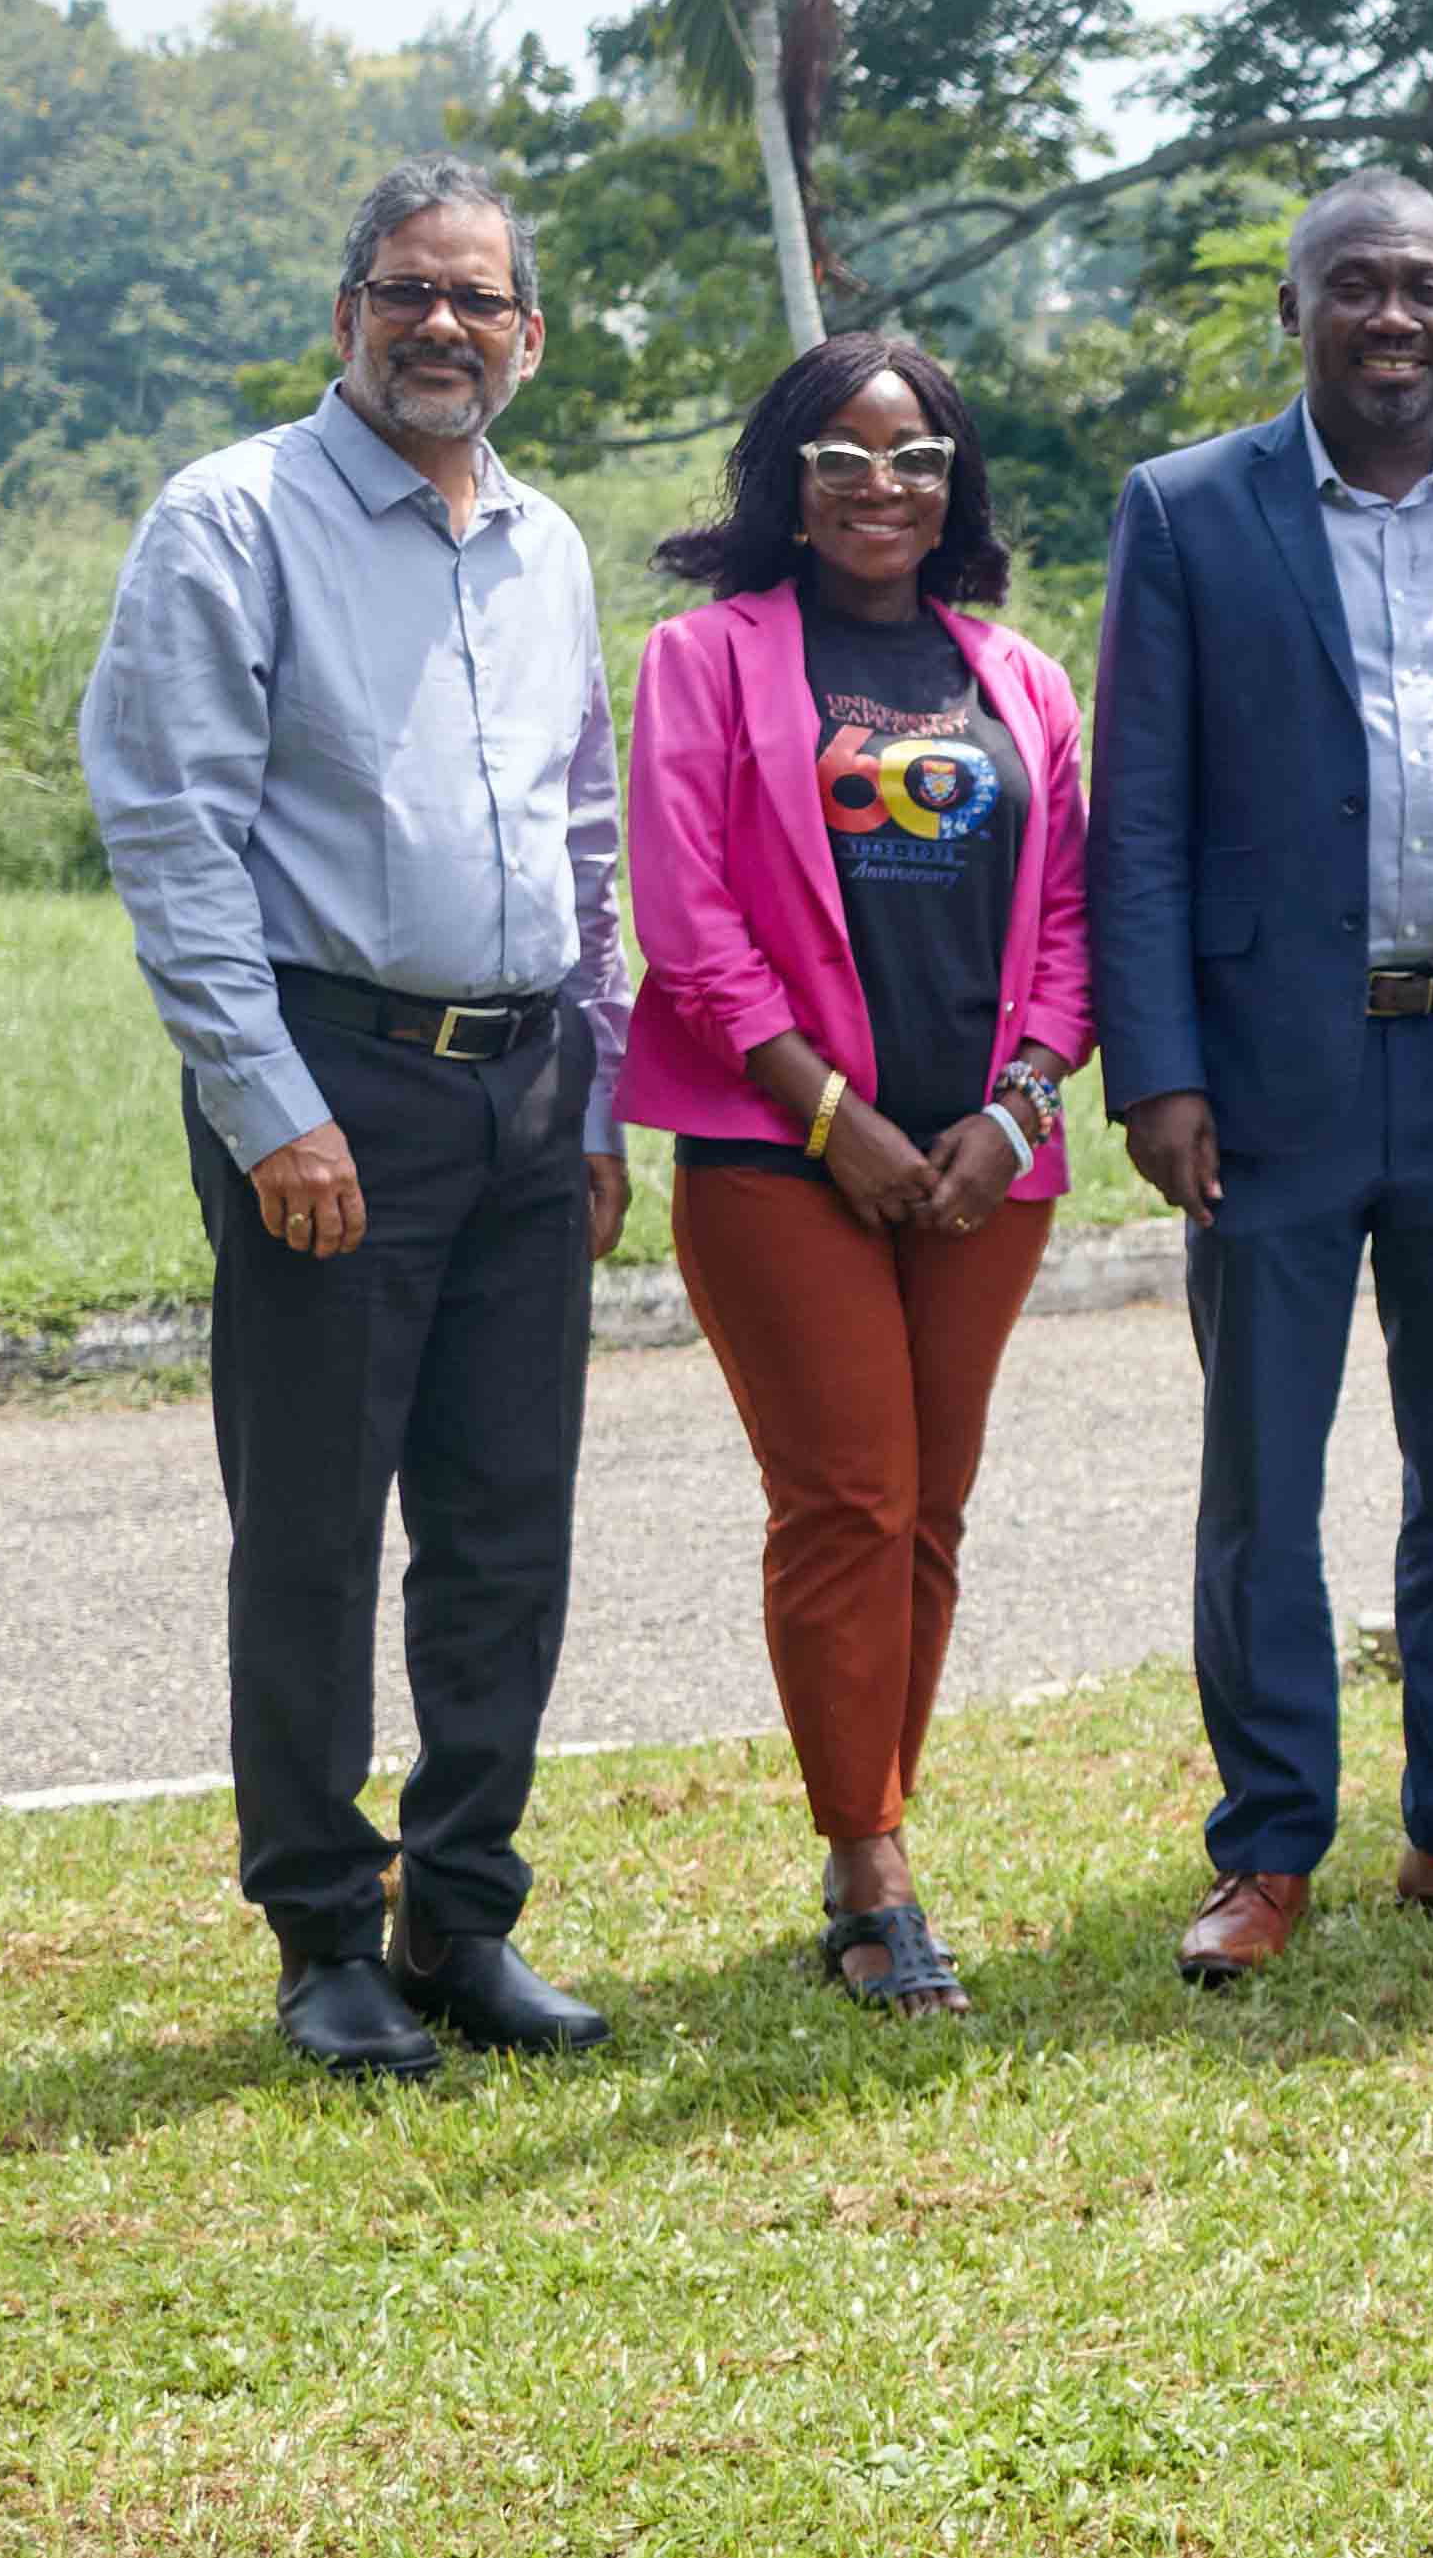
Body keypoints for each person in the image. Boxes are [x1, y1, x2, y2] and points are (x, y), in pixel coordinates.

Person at [77, 154, 632, 2078]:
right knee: (311, 1527)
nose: (442, 328)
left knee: (506, 1524)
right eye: (408, 292)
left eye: (480, 300)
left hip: (526, 1086)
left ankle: (463, 1914)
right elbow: (170, 831)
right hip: (332, 1085)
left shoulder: (550, 545)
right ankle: (322, 1932)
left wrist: (603, 1093)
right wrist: (268, 1108)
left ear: (529, 336)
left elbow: (585, 826)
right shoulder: (234, 521)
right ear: (347, 316)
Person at [1093, 171, 1433, 1985]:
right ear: (1297, 307)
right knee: (1265, 1470)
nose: (1393, 318)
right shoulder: (1187, 514)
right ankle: (1265, 1850)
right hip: (1268, 1081)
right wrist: (1157, 1068)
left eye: (1426, 287)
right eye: (1358, 288)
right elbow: (1145, 820)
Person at [621, 332, 1095, 2016]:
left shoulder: (1021, 678)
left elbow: (1066, 923)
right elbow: (686, 924)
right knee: (848, 1498)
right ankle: (869, 1868)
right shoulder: (705, 659)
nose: (880, 487)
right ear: (790, 483)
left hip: (983, 1167)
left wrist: (1017, 1110)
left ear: (954, 485)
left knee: (932, 1510)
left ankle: (870, 1820)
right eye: (843, 457)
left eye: (914, 459)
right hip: (779, 1157)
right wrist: (836, 1117)